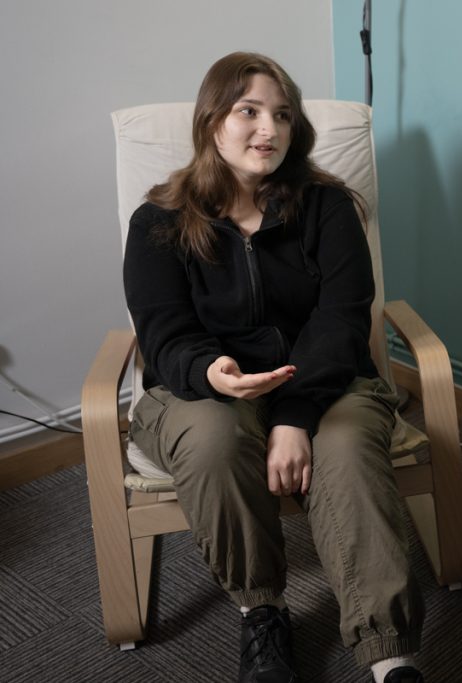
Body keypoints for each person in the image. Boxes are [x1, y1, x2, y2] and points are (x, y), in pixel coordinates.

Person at [123, 52, 424, 683]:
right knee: (212, 441)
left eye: (282, 115)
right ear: (212, 122)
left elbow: (343, 320)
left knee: (342, 449)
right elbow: (163, 332)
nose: (270, 129)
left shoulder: (327, 207)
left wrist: (292, 414)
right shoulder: (158, 222)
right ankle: (261, 611)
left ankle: (389, 653)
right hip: (200, 390)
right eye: (249, 111)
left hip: (323, 381)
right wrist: (211, 371)